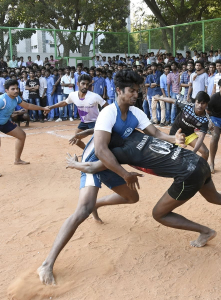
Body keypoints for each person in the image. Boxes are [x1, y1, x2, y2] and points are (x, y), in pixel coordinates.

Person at [37, 69, 190, 285]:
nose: (135, 94)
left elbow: (155, 133)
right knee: (81, 210)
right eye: (131, 91)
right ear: (118, 90)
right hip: (95, 162)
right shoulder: (109, 112)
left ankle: (96, 205)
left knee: (132, 198)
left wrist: (174, 138)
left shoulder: (136, 113)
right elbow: (100, 150)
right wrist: (125, 173)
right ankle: (47, 264)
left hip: (114, 163)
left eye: (137, 91)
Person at [0, 79, 49, 177]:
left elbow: (27, 105)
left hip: (4, 122)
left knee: (22, 135)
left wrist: (43, 108)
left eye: (17, 88)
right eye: (13, 89)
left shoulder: (16, 98)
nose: (16, 90)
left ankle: (17, 160)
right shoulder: (1, 100)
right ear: (6, 90)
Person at [45, 74, 108, 149]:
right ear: (78, 84)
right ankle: (86, 152)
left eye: (87, 84)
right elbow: (65, 102)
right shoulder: (73, 95)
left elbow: (107, 107)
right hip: (84, 122)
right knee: (76, 139)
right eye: (83, 84)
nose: (85, 86)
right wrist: (51, 107)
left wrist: (105, 119)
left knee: (100, 142)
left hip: (95, 122)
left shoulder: (94, 96)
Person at [153, 91, 210, 159]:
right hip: (175, 134)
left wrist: (193, 152)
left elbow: (201, 138)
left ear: (206, 104)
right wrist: (159, 98)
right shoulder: (187, 106)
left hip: (189, 134)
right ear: (195, 102)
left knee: (205, 152)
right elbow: (172, 100)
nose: (200, 106)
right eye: (198, 102)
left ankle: (202, 169)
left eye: (203, 103)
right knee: (170, 156)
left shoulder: (205, 120)